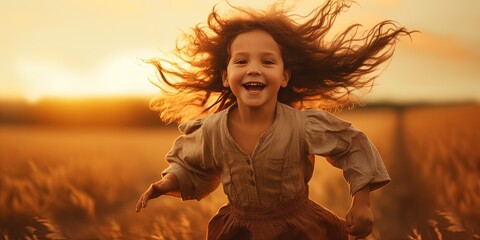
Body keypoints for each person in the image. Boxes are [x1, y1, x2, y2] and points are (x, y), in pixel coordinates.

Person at [136, 0, 412, 239]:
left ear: (285, 76)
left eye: (267, 62)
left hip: (300, 230)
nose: (254, 69)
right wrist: (165, 183)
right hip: (237, 232)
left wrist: (361, 202)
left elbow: (352, 145)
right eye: (242, 62)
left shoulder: (302, 125)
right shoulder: (211, 130)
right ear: (225, 75)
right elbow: (190, 165)